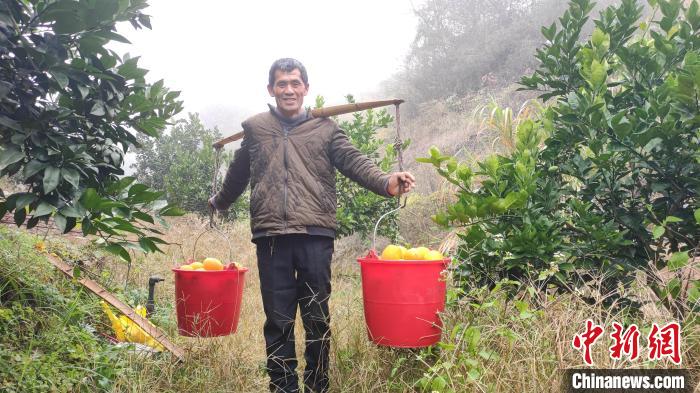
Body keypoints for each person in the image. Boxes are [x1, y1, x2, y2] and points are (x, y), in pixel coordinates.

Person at [209, 58, 415, 393]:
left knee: (317, 317)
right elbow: (238, 173)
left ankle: (318, 386)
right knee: (278, 320)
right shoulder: (256, 129)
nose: (288, 90)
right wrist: (220, 201)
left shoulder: (326, 129)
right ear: (271, 89)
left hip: (315, 236)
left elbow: (355, 161)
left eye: (294, 83)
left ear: (306, 88)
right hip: (271, 236)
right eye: (281, 84)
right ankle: (283, 387)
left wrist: (387, 182)